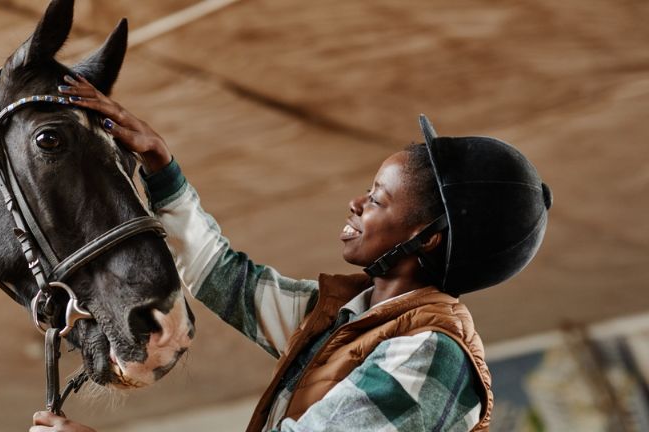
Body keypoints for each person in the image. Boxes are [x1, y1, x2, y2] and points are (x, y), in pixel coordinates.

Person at [29, 74, 552, 432]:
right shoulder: (350, 320)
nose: (356, 202)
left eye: (377, 197)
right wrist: (161, 165)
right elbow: (225, 278)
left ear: (428, 237)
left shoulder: (433, 354)